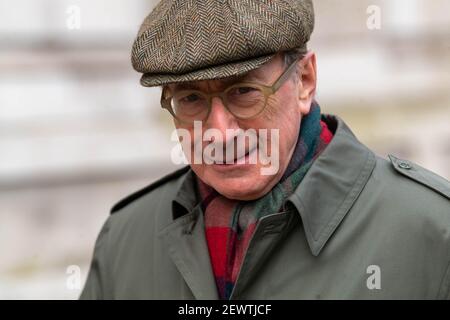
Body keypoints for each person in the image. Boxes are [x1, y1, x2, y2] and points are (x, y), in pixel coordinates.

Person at [80, 0, 450, 299]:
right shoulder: (124, 240)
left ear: (305, 81)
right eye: (191, 98)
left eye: (243, 92)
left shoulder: (433, 233)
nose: (220, 134)